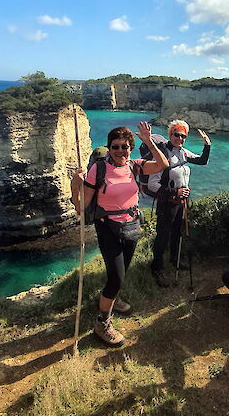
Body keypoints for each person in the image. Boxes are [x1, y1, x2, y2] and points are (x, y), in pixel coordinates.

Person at [71, 122, 168, 346]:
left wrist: (148, 141)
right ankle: (102, 322)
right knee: (117, 276)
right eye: (115, 147)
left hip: (131, 226)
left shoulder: (134, 166)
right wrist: (76, 185)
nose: (120, 151)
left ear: (130, 148)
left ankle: (112, 298)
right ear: (109, 148)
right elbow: (81, 207)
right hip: (108, 228)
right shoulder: (100, 169)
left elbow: (162, 164)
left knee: (120, 273)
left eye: (125, 147)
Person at [147, 120, 211, 287]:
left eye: (183, 136)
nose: (180, 138)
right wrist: (175, 192)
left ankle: (175, 259)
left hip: (180, 203)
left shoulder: (183, 152)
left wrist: (207, 145)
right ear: (170, 135)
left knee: (177, 233)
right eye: (177, 134)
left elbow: (202, 161)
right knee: (163, 236)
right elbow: (153, 184)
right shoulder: (162, 154)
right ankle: (157, 268)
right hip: (167, 202)